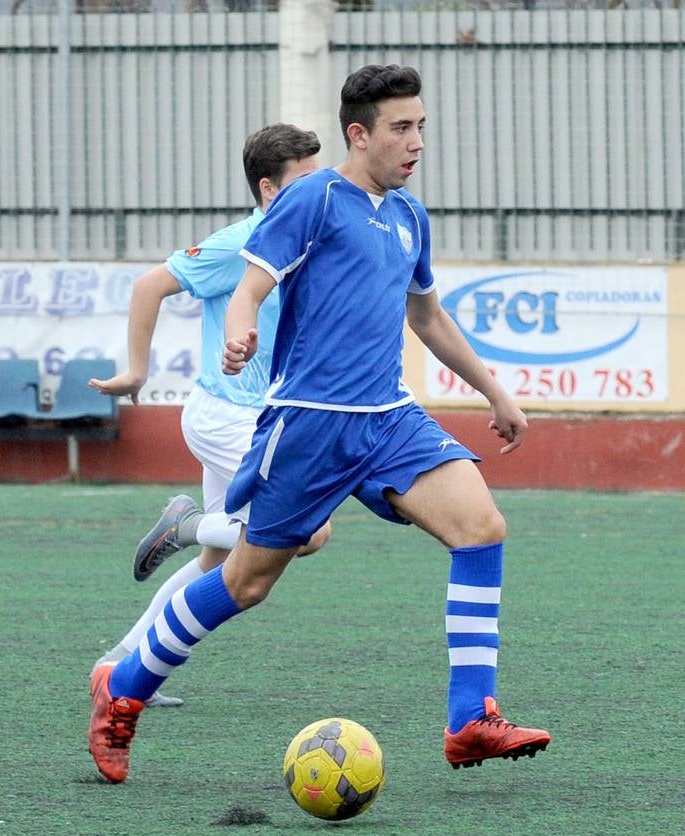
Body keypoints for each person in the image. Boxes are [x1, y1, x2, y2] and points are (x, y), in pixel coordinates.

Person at [89, 65, 551, 784]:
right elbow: (250, 287)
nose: (416, 142)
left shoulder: (408, 217)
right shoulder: (313, 200)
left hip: (389, 419)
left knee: (482, 527)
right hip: (310, 424)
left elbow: (426, 315)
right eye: (401, 128)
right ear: (358, 134)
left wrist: (495, 390)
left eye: (421, 126)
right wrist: (239, 333)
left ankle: (469, 721)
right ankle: (123, 692)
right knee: (245, 583)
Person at [88, 123, 331, 708]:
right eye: (306, 180)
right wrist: (138, 370)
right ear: (270, 190)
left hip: (252, 417)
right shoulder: (241, 242)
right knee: (309, 533)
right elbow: (150, 286)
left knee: (216, 563)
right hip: (228, 417)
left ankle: (119, 666)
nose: (321, 190)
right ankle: (185, 523)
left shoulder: (307, 241)